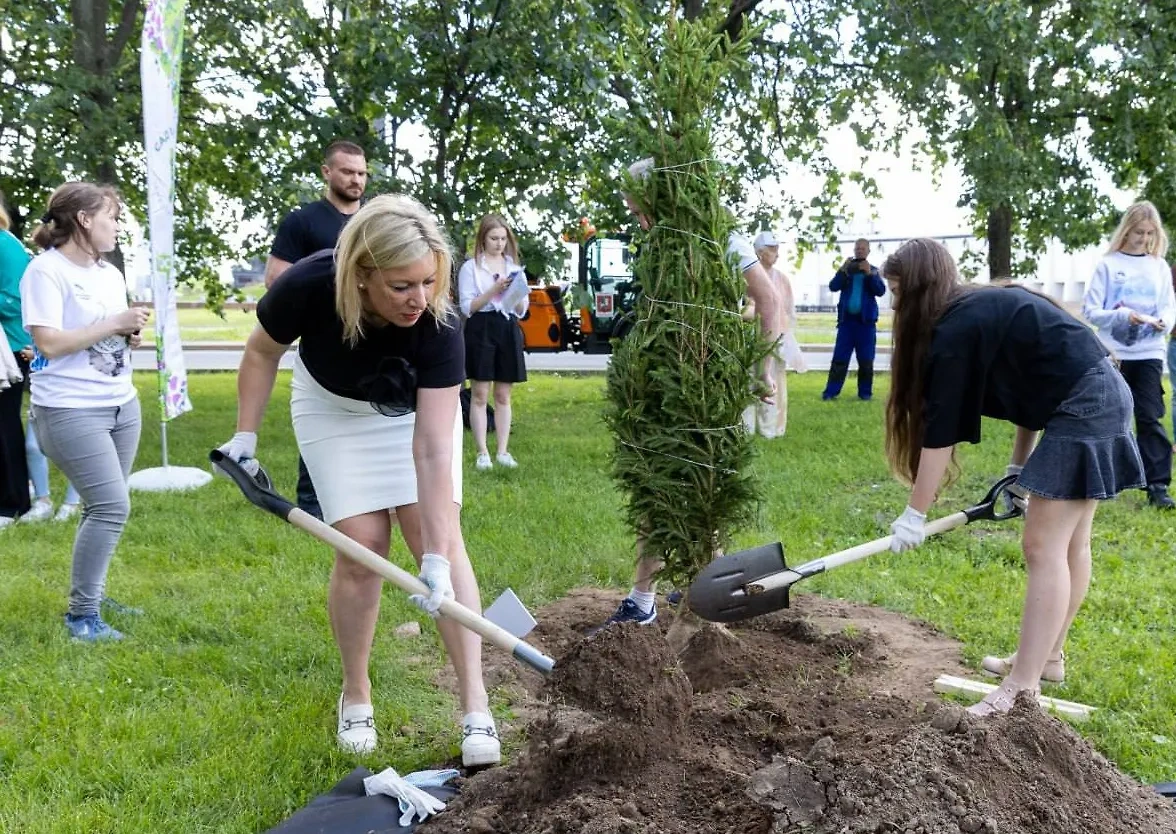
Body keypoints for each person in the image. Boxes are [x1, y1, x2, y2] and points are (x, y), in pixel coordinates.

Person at [217, 195, 500, 766]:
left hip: (411, 424)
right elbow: (261, 350)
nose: (419, 298)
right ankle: (356, 695)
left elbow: (433, 445)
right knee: (361, 549)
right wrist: (245, 437)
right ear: (362, 276)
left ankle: (476, 705)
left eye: (428, 280)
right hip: (333, 412)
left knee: (436, 539)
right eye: (401, 286)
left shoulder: (440, 319)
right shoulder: (310, 284)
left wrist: (437, 559)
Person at [883, 238, 1143, 716]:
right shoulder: (977, 309)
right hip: (1098, 392)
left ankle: (1021, 687)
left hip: (1087, 403)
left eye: (896, 291)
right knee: (1069, 546)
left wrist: (914, 515)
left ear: (917, 287)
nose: (894, 303)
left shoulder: (956, 328)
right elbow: (1034, 387)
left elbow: (940, 435)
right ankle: (1047, 658)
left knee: (1043, 548)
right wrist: (1017, 469)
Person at [600, 158, 782, 627]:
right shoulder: (659, 243)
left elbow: (769, 299)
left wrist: (762, 368)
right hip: (661, 382)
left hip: (709, 387)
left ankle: (692, 596)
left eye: (638, 205)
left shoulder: (719, 238)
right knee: (657, 484)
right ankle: (667, 597)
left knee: (705, 486)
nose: (636, 215)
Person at [20, 182, 150, 640]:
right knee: (112, 506)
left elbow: (102, 334)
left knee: (98, 508)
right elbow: (49, 344)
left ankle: (92, 593)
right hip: (69, 410)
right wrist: (114, 322)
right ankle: (82, 617)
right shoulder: (45, 272)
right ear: (84, 219)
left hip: (121, 404)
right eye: (112, 217)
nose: (117, 226)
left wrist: (127, 334)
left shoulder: (109, 272)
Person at [264, 140, 369, 519]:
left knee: (371, 417)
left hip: (375, 339)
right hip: (324, 342)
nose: (356, 180)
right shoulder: (303, 221)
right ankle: (312, 503)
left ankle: (368, 495)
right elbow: (275, 280)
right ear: (327, 172)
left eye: (361, 173)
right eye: (347, 172)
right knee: (322, 419)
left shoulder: (373, 220)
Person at [1081, 201, 1176, 509]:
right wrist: (1124, 317)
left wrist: (1164, 323)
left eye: (1149, 233)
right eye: (1138, 232)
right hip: (1114, 352)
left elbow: (1169, 306)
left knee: (1149, 417)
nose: (1143, 239)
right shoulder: (1108, 265)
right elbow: (1091, 311)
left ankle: (1158, 485)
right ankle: (1101, 480)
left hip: (1149, 352)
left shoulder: (1159, 266)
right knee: (1108, 418)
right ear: (1126, 230)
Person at [457, 214, 528, 470]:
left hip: (507, 327)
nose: (499, 243)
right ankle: (482, 452)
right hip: (481, 329)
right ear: (483, 239)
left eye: (503, 238)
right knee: (479, 393)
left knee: (503, 394)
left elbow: (521, 309)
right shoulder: (471, 268)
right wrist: (493, 290)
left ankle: (503, 451)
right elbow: (467, 307)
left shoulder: (513, 266)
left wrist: (516, 293)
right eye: (494, 238)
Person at [742, 231, 806, 439]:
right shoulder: (747, 276)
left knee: (775, 380)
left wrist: (786, 335)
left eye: (777, 249)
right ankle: (747, 427)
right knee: (750, 377)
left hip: (777, 337)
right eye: (771, 249)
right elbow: (743, 308)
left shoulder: (782, 279)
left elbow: (788, 310)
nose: (776, 253)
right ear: (759, 253)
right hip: (752, 337)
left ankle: (772, 428)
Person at [822, 238, 886, 401]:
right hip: (846, 324)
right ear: (854, 250)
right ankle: (830, 393)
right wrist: (842, 270)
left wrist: (869, 274)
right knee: (840, 359)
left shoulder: (874, 270)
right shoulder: (847, 270)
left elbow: (880, 291)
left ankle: (865, 394)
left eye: (863, 249)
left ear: (868, 251)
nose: (860, 251)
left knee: (866, 360)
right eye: (857, 248)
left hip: (866, 324)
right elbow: (833, 286)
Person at [0, 200, 32, 528]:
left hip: (9, 348)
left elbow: (15, 300)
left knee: (5, 424)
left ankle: (14, 503)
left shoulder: (5, 244)